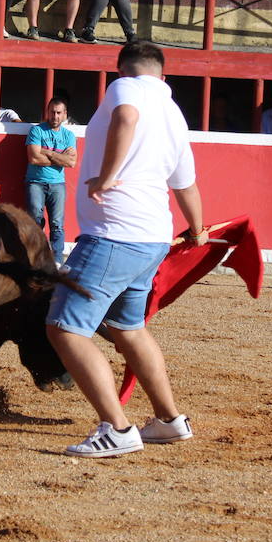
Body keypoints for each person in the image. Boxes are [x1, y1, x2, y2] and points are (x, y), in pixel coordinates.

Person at [45, 40, 206, 458]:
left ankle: (117, 429)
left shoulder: (127, 90)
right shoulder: (173, 111)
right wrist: (198, 228)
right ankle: (170, 420)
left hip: (116, 234)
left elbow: (126, 119)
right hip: (151, 237)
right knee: (127, 328)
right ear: (164, 76)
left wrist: (107, 176)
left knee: (65, 327)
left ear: (122, 72)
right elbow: (184, 181)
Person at [25, 97, 77, 264]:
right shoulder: (37, 131)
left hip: (57, 183)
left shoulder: (69, 135)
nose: (55, 116)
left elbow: (71, 162)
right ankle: (36, 257)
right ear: (47, 112)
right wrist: (60, 157)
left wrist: (48, 152)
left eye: (59, 113)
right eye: (52, 112)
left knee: (57, 223)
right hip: (35, 181)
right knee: (35, 218)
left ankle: (56, 260)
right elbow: (33, 158)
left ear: (65, 115)